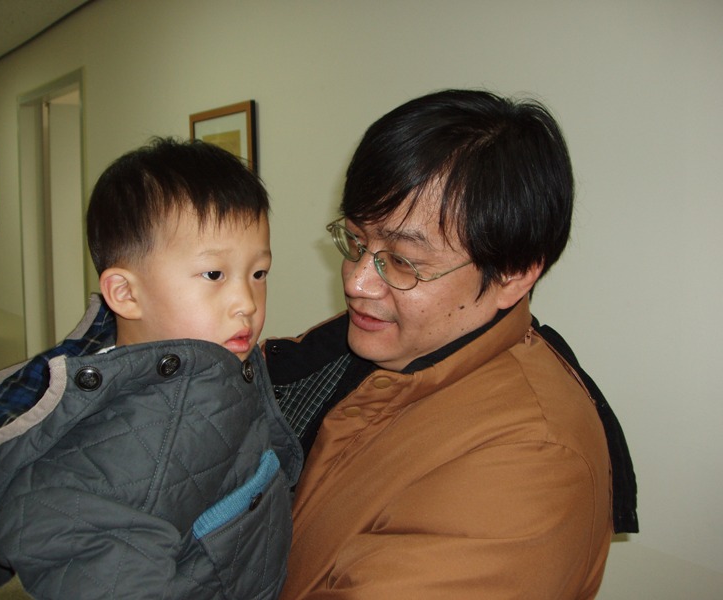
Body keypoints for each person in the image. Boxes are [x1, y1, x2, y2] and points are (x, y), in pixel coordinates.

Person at [264, 90, 638, 599]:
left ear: (512, 274)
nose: (356, 282)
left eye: (402, 261)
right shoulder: (377, 343)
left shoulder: (533, 465)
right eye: (356, 241)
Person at [0, 138, 302, 599]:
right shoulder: (114, 451)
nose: (247, 302)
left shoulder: (222, 361)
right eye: (214, 275)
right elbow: (52, 517)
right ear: (125, 293)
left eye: (258, 273)